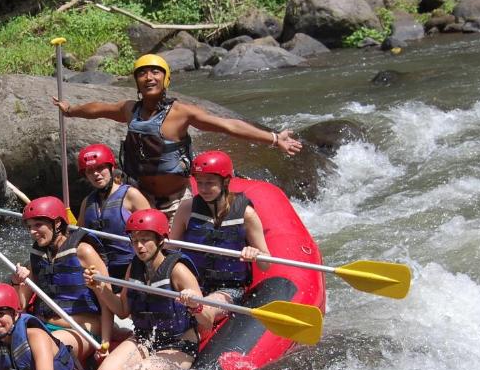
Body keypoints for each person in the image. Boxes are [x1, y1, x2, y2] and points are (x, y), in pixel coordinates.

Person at [53, 54, 302, 220]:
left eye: (155, 72)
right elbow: (98, 109)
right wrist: (71, 110)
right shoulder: (130, 110)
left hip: (174, 202)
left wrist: (273, 138)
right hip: (139, 197)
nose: (149, 77)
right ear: (137, 83)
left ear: (166, 78)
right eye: (143, 74)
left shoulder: (182, 113)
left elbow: (228, 125)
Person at [84, 209, 212, 370]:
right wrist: (100, 288)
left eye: (145, 240)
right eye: (134, 241)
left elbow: (207, 321)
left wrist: (194, 305)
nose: (139, 246)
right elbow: (123, 310)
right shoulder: (134, 268)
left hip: (177, 344)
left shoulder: (178, 270)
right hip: (145, 338)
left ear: (161, 240)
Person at [170, 150, 269, 324]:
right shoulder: (186, 209)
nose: (203, 189)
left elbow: (266, 263)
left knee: (204, 309)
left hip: (229, 289)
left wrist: (255, 254)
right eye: (199, 183)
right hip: (191, 282)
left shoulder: (246, 214)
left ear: (226, 181)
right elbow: (170, 250)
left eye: (210, 183)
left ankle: (200, 313)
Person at [10, 196, 111, 366]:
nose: (32, 232)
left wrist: (105, 342)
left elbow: (107, 301)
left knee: (43, 349)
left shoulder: (84, 251)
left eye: (38, 225)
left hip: (80, 329)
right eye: (29, 227)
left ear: (57, 224)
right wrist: (17, 283)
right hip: (44, 325)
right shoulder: (38, 257)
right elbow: (21, 305)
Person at [76, 143, 151, 281]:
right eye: (90, 171)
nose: (96, 174)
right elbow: (78, 236)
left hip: (130, 268)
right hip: (98, 270)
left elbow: (154, 232)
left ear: (111, 167)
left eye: (100, 168)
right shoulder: (87, 202)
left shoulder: (131, 195)